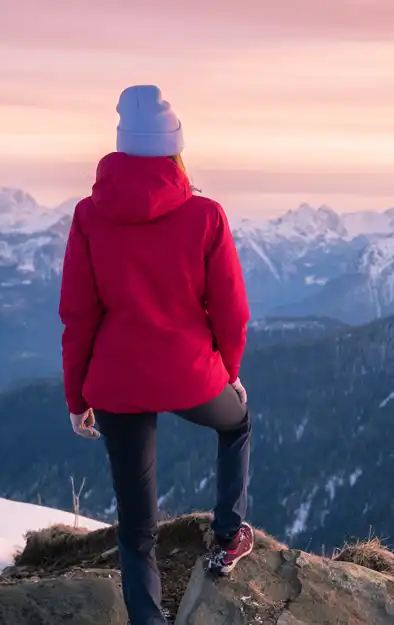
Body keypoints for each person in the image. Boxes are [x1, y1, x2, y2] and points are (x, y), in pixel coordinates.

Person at [59, 84, 254, 625]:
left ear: (122, 150)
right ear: (176, 152)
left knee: (137, 528)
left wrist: (78, 397)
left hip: (117, 384)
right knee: (236, 425)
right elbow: (232, 312)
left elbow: (78, 316)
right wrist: (229, 372)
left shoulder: (89, 216)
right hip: (191, 376)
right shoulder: (206, 216)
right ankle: (227, 535)